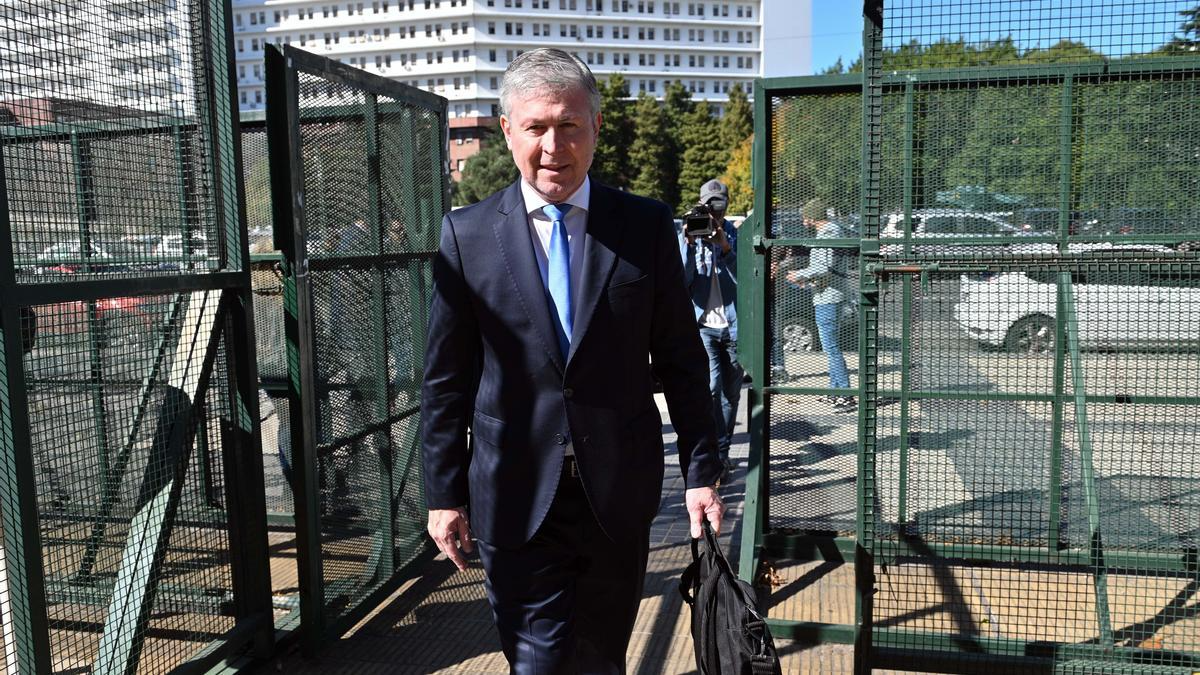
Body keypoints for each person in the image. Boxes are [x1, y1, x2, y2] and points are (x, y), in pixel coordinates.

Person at [420, 48, 725, 673]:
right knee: (535, 661)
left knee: (601, 656)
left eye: (569, 125)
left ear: (596, 127)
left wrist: (702, 471)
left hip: (616, 491)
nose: (553, 145)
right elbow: (446, 380)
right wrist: (443, 494)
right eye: (535, 127)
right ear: (507, 132)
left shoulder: (643, 226)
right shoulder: (466, 234)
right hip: (512, 494)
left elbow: (682, 359)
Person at [680, 179, 743, 479]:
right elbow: (682, 280)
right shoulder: (692, 230)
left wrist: (726, 247)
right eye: (710, 204)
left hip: (734, 327)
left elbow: (747, 279)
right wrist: (688, 246)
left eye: (720, 204)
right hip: (704, 325)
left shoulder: (736, 233)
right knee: (711, 388)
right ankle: (716, 451)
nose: (715, 211)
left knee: (732, 395)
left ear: (727, 204)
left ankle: (725, 452)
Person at [786, 198, 855, 413]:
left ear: (811, 217)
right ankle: (835, 391)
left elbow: (823, 267)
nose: (802, 220)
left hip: (828, 297)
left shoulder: (828, 234)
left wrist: (800, 274)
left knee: (831, 348)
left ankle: (845, 394)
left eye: (804, 216)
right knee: (829, 347)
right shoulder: (832, 232)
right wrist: (806, 277)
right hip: (829, 293)